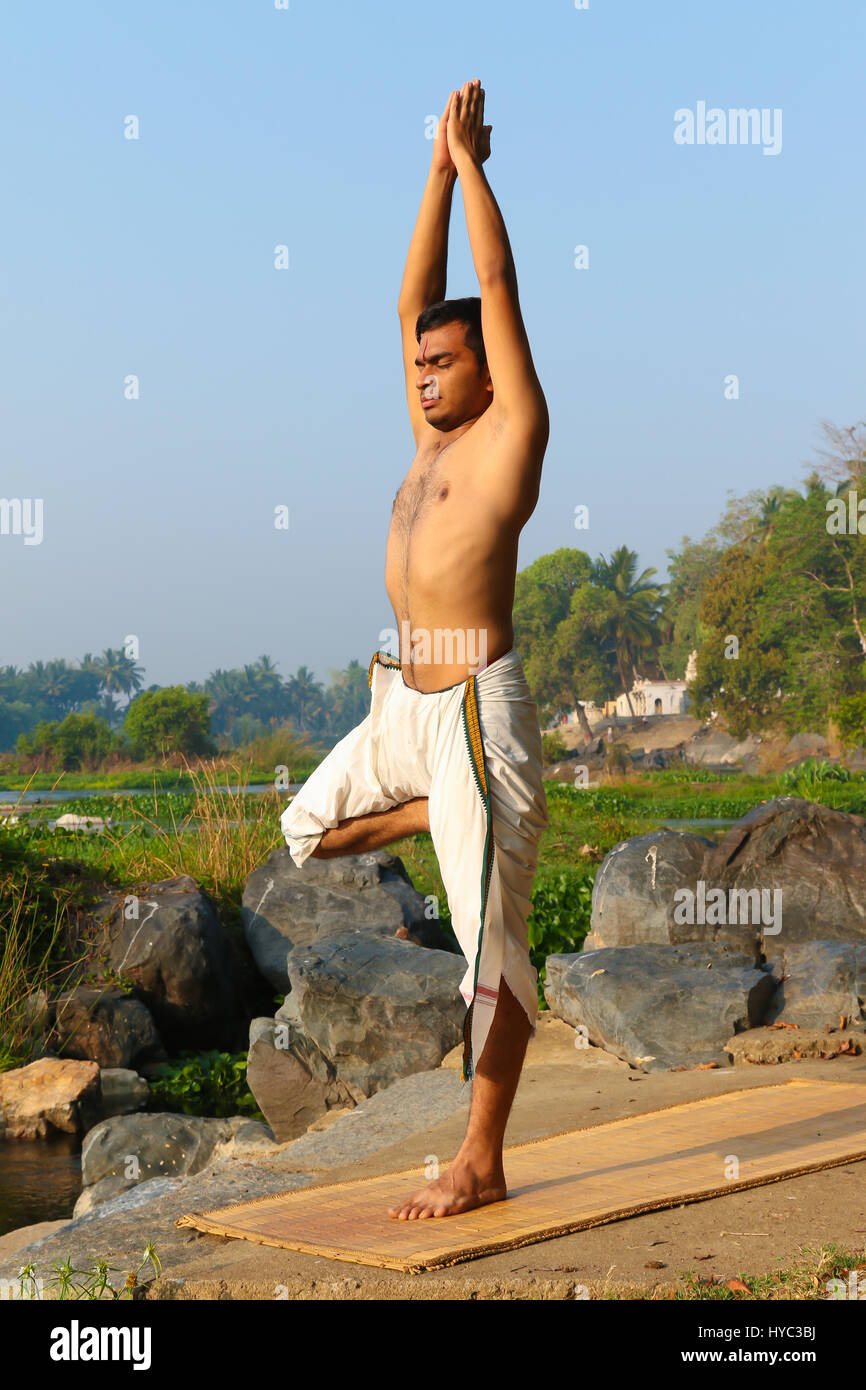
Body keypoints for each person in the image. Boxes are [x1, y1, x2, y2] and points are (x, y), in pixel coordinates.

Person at [280, 80, 549, 1220]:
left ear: (486, 370)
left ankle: (480, 1161)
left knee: (489, 956)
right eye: (423, 365)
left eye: (448, 362)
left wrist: (476, 168)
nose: (430, 372)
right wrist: (430, 171)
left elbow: (492, 286)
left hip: (471, 716)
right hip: (399, 708)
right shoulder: (423, 440)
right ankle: (434, 813)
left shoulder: (508, 438)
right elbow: (410, 301)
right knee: (302, 833)